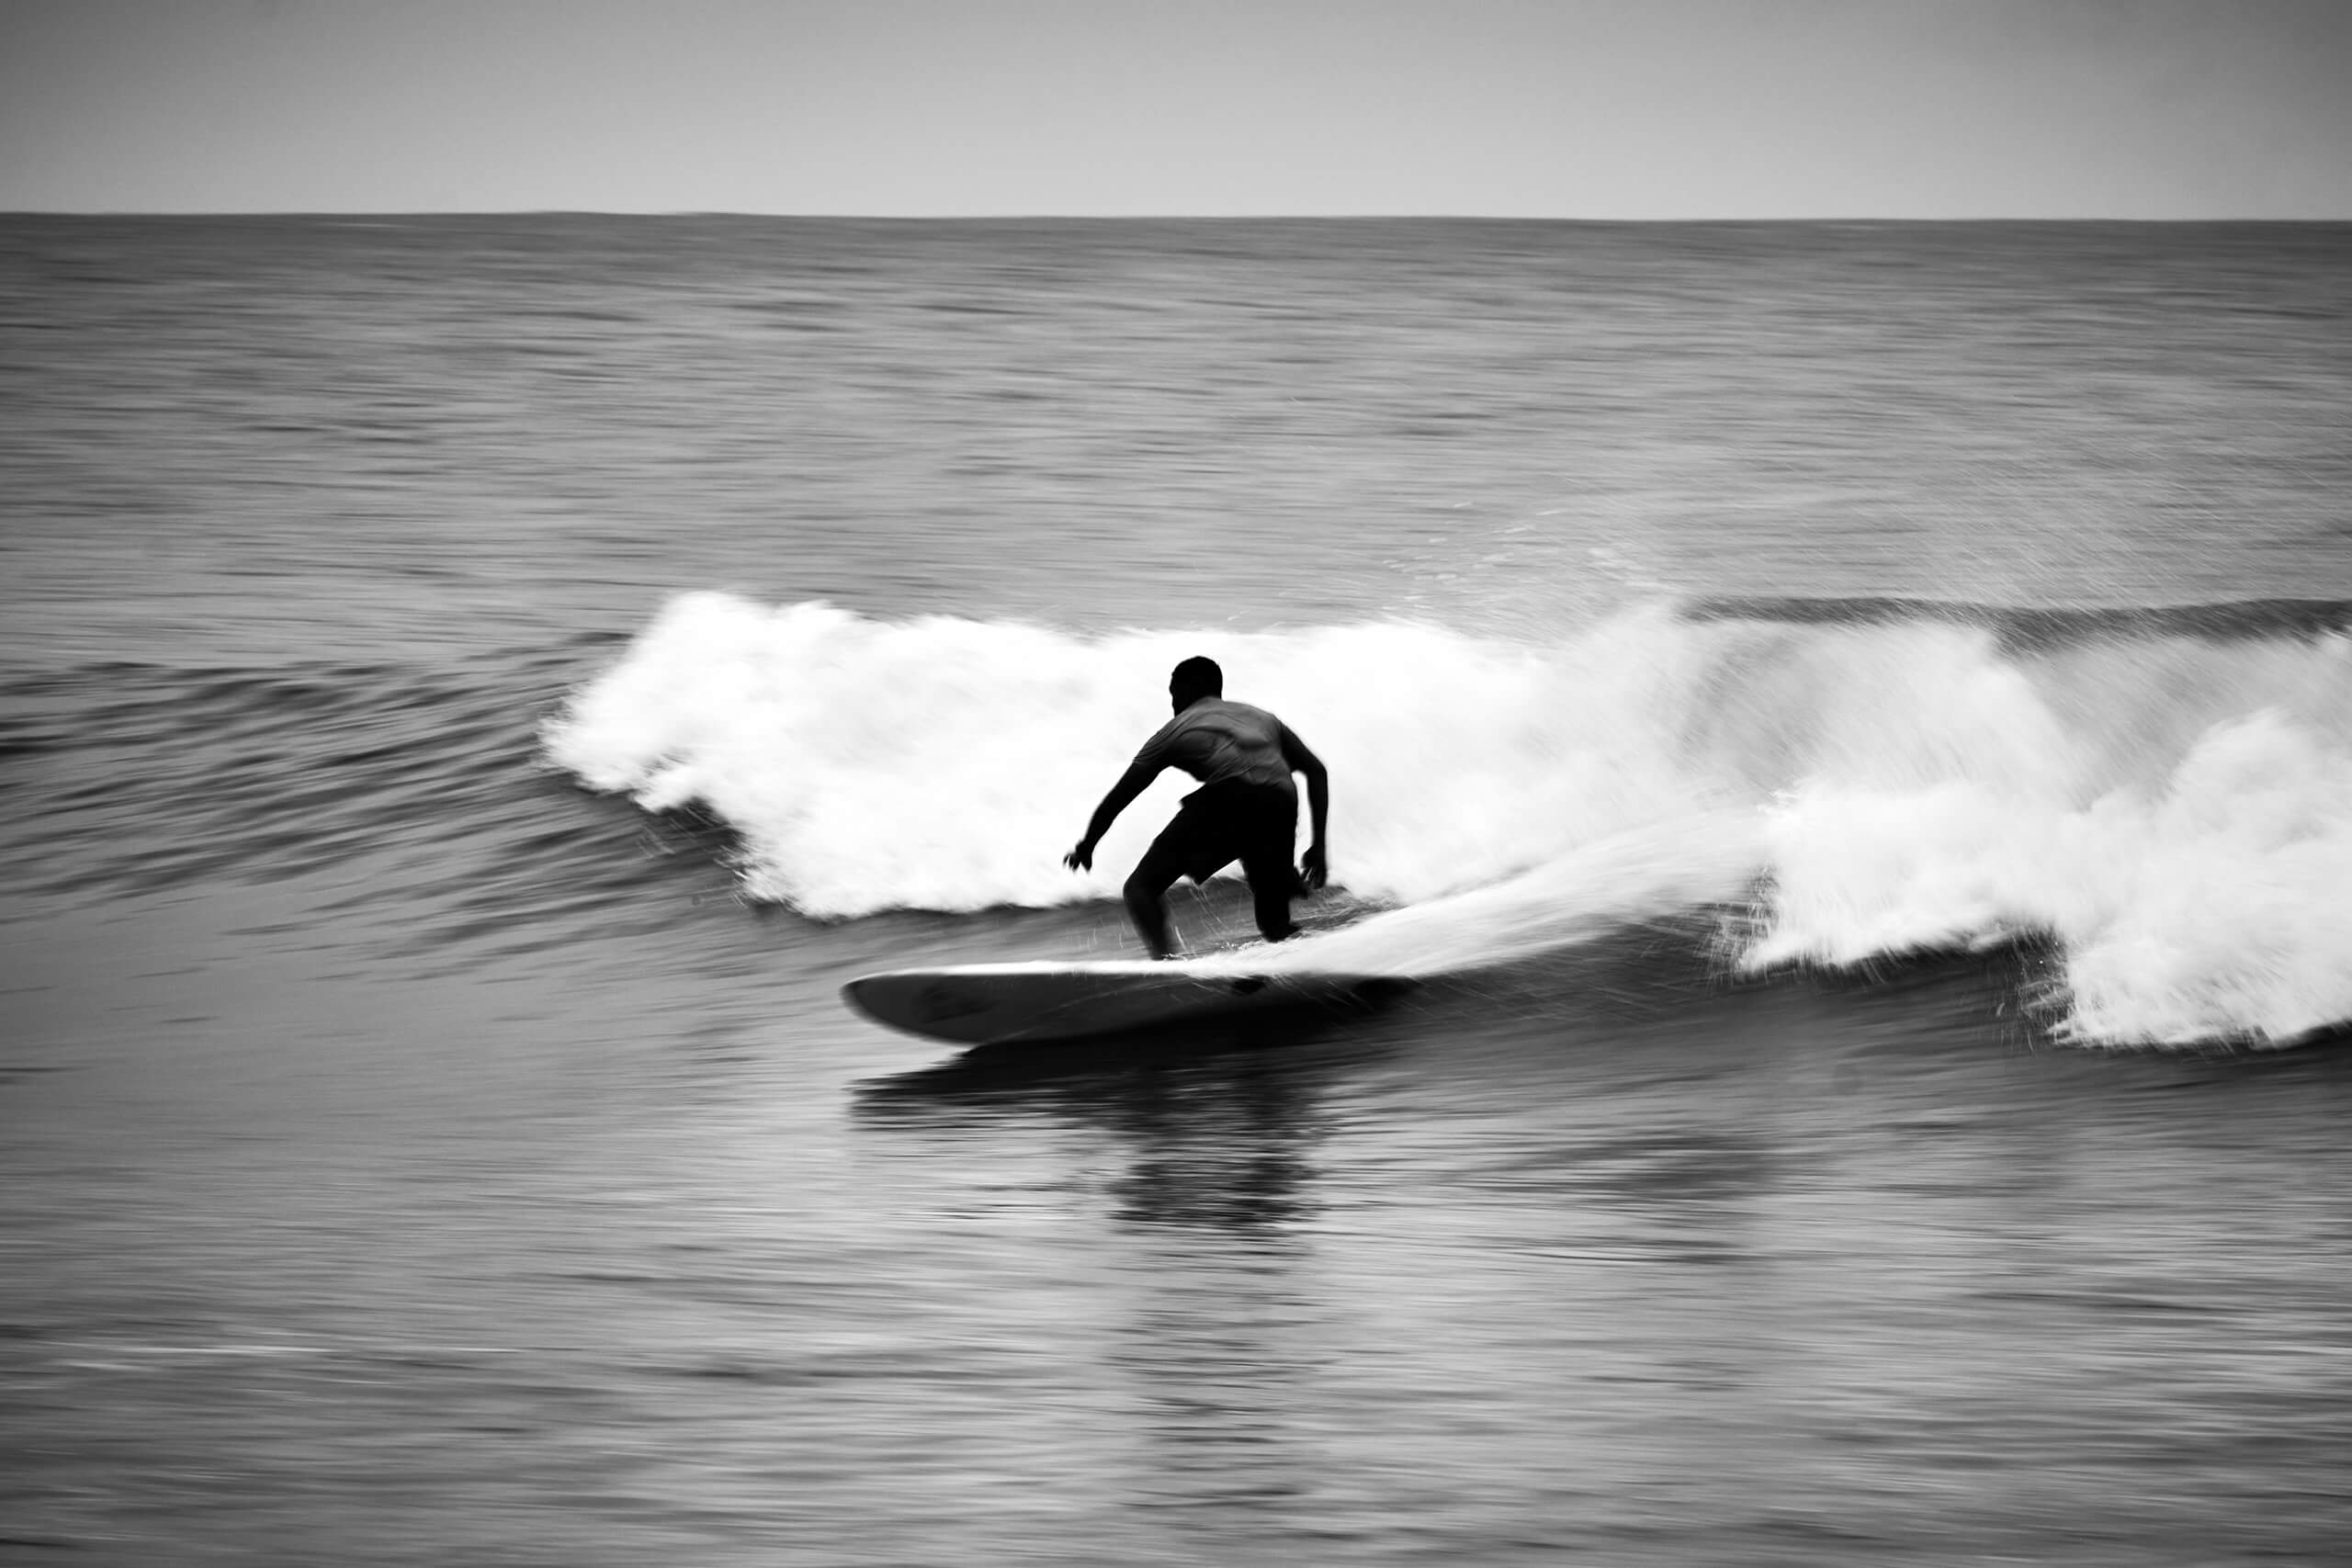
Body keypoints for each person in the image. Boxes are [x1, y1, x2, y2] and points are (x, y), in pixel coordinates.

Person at [1064, 656, 1329, 959]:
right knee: (1274, 925)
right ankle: (1321, 960)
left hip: (1233, 798)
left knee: (1140, 889)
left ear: (1188, 690)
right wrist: (1319, 846)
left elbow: (1118, 798)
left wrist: (1087, 846)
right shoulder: (1263, 718)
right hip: (1281, 803)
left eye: (1174, 694)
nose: (1173, 704)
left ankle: (1166, 967)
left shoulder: (1174, 730)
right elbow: (1316, 771)